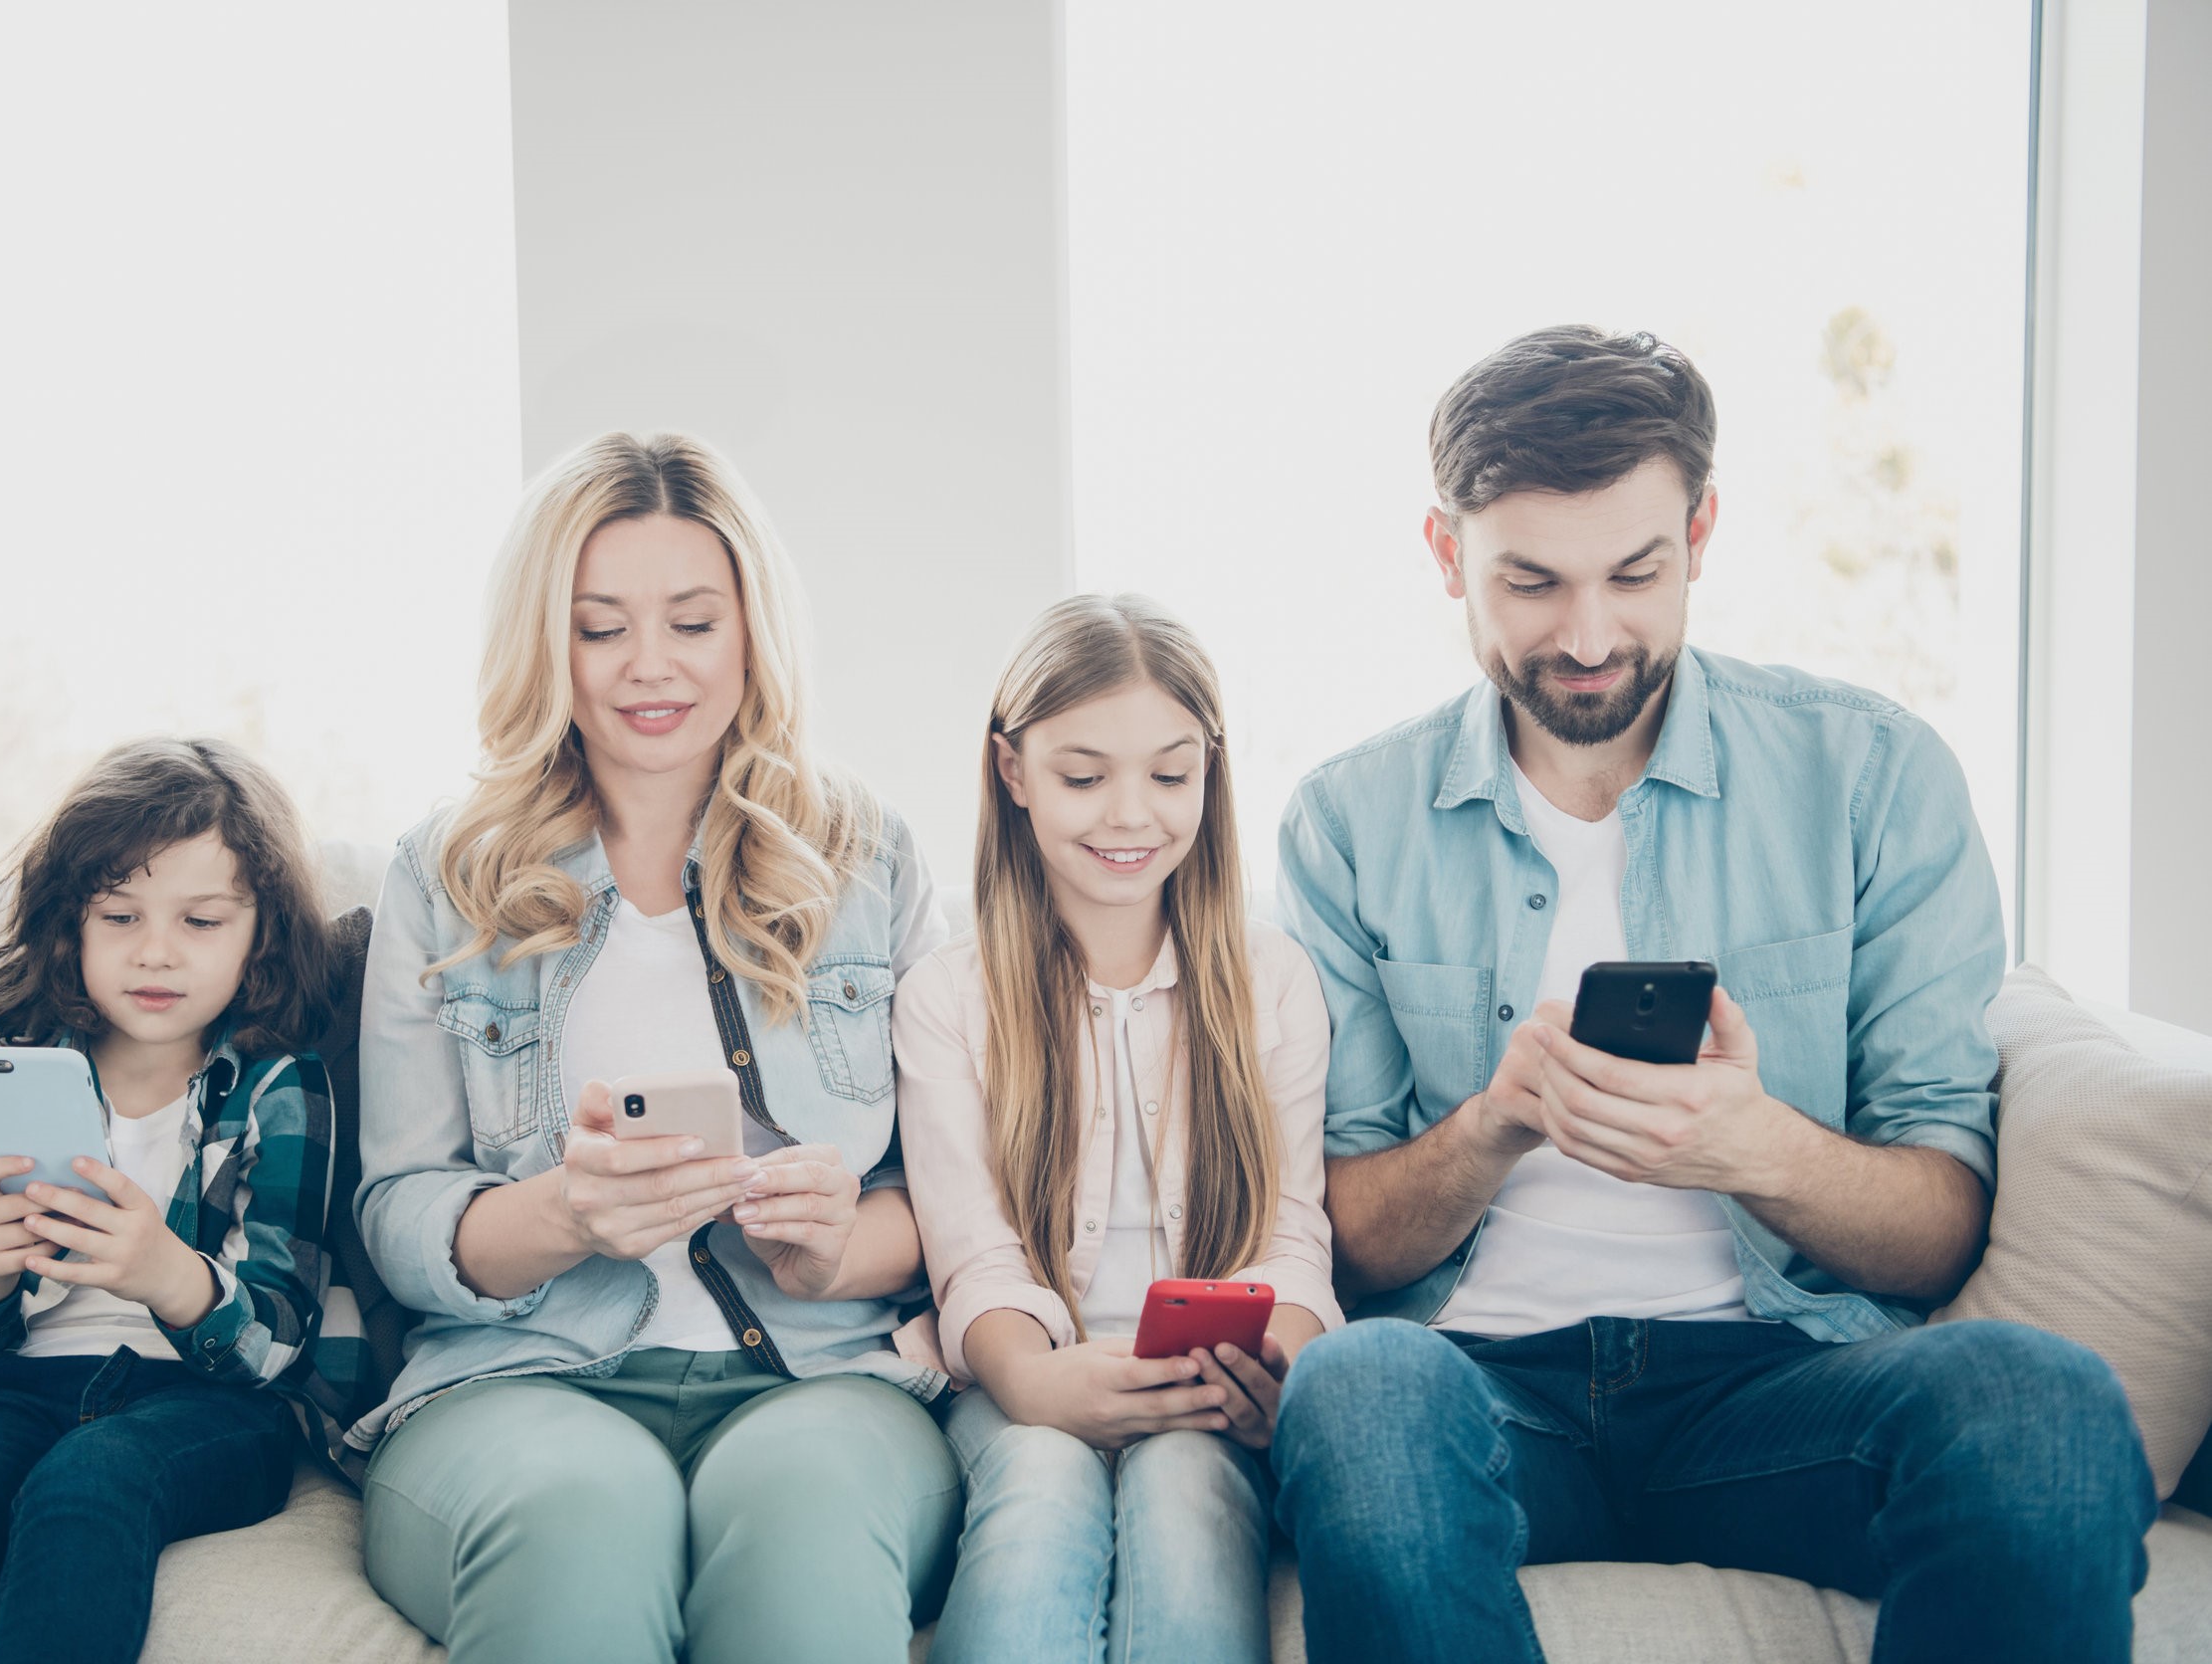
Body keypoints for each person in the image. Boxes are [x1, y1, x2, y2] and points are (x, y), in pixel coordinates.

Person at [1272, 327, 2155, 1664]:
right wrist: (1496, 1124)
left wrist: (1762, 1153)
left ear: (1703, 529)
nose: (1586, 635)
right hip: (1479, 1390)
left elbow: (1939, 1232)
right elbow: (1351, 1241)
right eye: (1530, 582)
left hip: (1778, 1386)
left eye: (1636, 573)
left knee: (2043, 1402)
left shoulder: (1870, 776)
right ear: (1448, 555)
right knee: (1354, 1386)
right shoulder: (1348, 821)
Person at [350, 431, 959, 1664]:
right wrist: (564, 1215)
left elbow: (955, 1198)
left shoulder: (867, 855)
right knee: (583, 1517)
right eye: (598, 626)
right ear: (545, 644)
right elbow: (399, 1213)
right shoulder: (447, 871)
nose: (649, 668)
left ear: (751, 633)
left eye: (691, 620)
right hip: (517, 1383)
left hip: (817, 1378)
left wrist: (837, 1244)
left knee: (809, 1529)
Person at [0, 737, 342, 1664]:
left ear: (260, 935)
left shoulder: (281, 1086)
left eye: (202, 921)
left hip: (202, 1401)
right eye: (120, 916)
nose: (156, 952)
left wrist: (168, 1275)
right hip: (3, 1386)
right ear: (71, 928)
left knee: (91, 1482)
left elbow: (280, 1344)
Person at [897, 593, 1341, 1664]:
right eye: (1084, 777)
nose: (1130, 815)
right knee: (1043, 1480)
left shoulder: (1271, 978)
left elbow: (1292, 1235)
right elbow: (973, 1254)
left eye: (1170, 775)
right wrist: (1040, 1383)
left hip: (1204, 1395)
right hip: (1017, 1381)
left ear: (1211, 772)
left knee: (1189, 1488)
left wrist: (1269, 1365)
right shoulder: (949, 994)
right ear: (1012, 772)